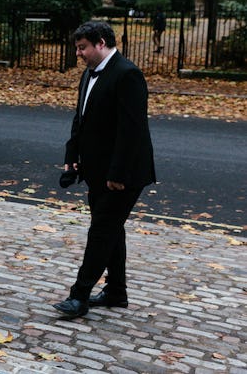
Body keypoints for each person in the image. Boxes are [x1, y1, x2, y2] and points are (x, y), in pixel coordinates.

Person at [53, 21, 156, 319]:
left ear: (100, 43)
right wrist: (72, 156)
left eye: (82, 47)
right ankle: (116, 292)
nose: (79, 54)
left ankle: (79, 296)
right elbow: (81, 119)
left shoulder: (128, 75)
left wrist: (118, 174)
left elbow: (132, 131)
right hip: (97, 170)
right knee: (111, 229)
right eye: (77, 48)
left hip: (123, 174)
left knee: (101, 231)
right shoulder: (89, 74)